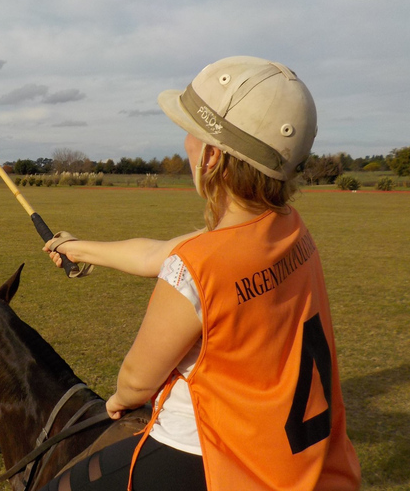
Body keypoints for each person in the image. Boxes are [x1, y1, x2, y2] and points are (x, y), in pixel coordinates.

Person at [41, 57, 360, 490]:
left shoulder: (198, 267)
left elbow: (136, 381)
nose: (186, 144)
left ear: (211, 156)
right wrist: (75, 247)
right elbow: (158, 254)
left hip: (216, 459)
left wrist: (118, 400)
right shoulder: (287, 229)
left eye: (191, 132)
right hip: (302, 463)